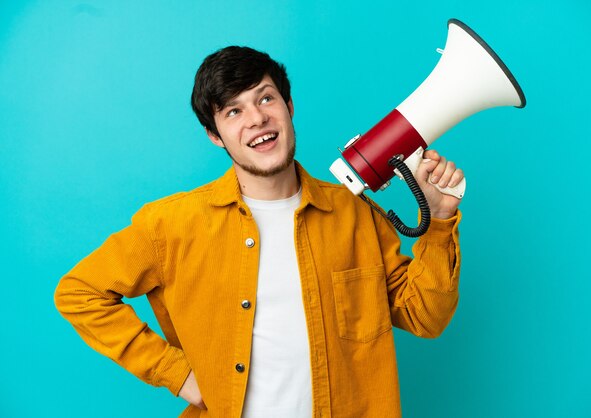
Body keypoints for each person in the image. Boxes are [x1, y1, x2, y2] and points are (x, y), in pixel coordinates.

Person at [55, 46, 464, 418]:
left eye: (266, 98)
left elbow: (424, 317)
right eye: (233, 111)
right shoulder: (171, 225)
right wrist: (177, 375)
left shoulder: (355, 213)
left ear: (288, 106)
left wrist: (440, 218)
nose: (257, 119)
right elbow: (78, 292)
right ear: (215, 136)